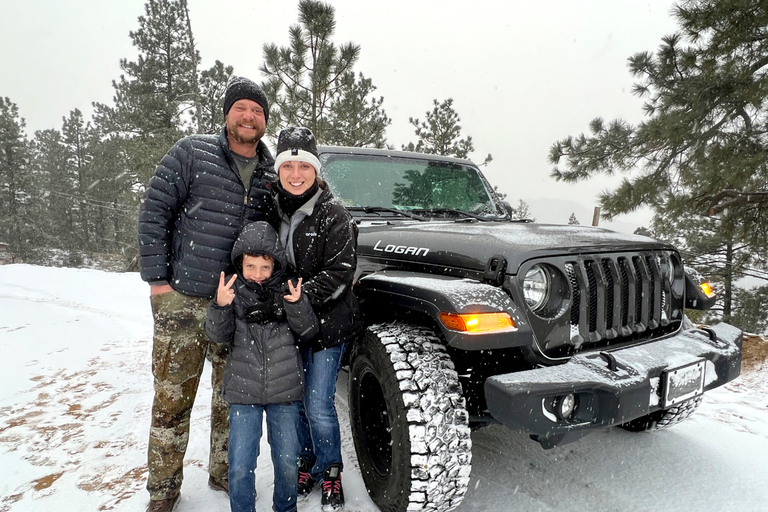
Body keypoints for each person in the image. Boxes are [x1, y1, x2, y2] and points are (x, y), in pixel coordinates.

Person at [137, 76, 276, 512]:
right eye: (241, 108)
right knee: (172, 400)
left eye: (257, 111)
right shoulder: (192, 153)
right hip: (184, 298)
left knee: (230, 400)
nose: (249, 116)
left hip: (237, 304)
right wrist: (159, 282)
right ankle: (163, 491)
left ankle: (225, 471)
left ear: (265, 120)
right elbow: (154, 211)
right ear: (226, 114)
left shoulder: (272, 172)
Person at [271, 126, 363, 511]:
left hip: (328, 324)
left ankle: (330, 470)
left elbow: (340, 273)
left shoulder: (333, 215)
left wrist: (297, 297)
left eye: (304, 166)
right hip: (287, 325)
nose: (296, 174)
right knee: (295, 401)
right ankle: (305, 461)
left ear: (315, 170)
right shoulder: (271, 209)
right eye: (288, 166)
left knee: (318, 403)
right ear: (278, 170)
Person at [206, 221, 318, 512]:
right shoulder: (231, 292)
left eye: (265, 267)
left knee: (287, 463)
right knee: (240, 465)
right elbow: (217, 336)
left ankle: (286, 509)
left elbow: (308, 331)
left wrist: (296, 305)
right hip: (243, 393)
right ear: (240, 263)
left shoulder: (288, 290)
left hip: (285, 391)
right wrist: (220, 305)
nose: (257, 274)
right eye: (251, 266)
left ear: (276, 265)